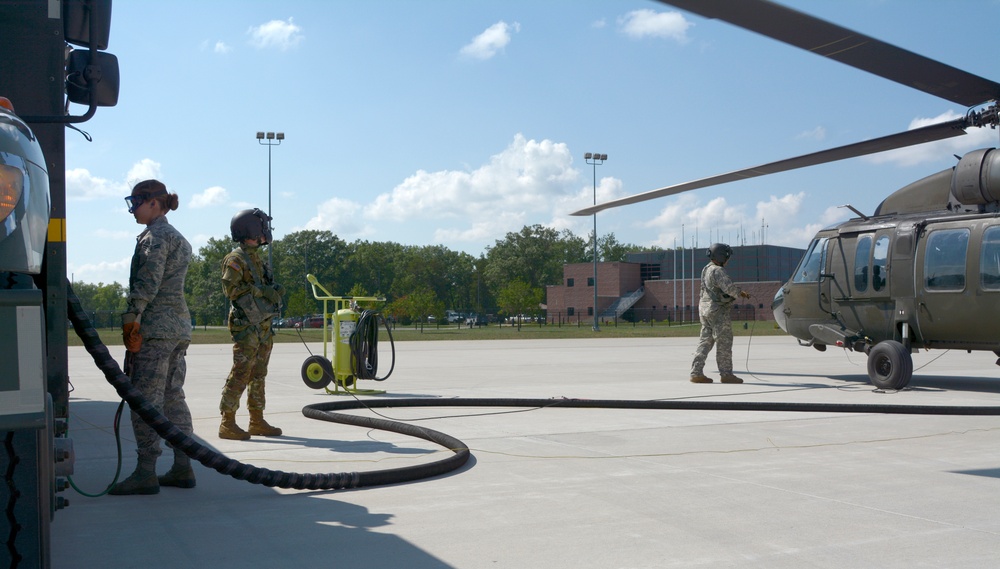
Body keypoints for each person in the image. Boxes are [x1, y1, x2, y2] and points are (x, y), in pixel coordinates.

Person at [110, 180, 196, 495]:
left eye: (136, 202)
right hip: (178, 329)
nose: (132, 209)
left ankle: (146, 471)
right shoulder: (179, 238)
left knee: (145, 401)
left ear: (154, 203)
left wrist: (133, 316)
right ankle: (183, 466)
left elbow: (149, 280)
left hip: (156, 330)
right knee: (173, 397)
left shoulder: (155, 238)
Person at [218, 208, 285, 440]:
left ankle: (256, 420)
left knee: (259, 373)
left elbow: (262, 285)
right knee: (241, 372)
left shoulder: (256, 258)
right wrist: (261, 290)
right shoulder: (236, 259)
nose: (265, 233)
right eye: (261, 229)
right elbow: (231, 290)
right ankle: (227, 422)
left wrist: (273, 290)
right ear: (252, 231)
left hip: (262, 325)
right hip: (246, 327)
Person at [689, 243, 751, 384]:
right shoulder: (718, 271)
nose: (728, 260)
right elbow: (729, 288)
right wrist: (740, 293)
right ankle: (726, 374)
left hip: (705, 310)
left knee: (705, 342)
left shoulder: (706, 269)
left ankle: (696, 372)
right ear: (722, 257)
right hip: (718, 311)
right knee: (724, 342)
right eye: (727, 257)